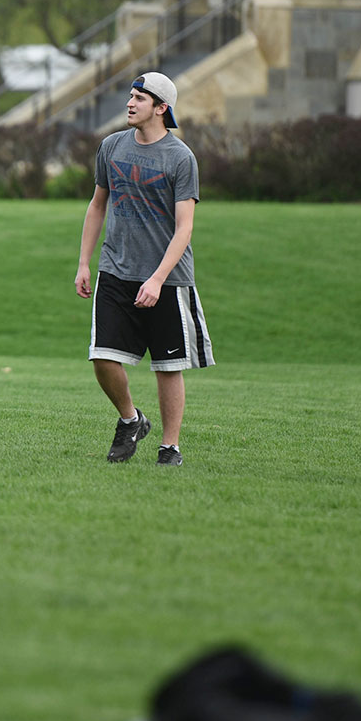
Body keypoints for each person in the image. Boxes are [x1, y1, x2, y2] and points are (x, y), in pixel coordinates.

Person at [75, 73, 213, 466]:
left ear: (161, 108)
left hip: (166, 278)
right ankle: (130, 419)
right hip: (115, 269)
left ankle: (170, 447)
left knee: (168, 366)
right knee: (102, 356)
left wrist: (157, 278)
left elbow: (184, 227)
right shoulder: (111, 147)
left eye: (140, 98)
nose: (130, 104)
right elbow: (97, 204)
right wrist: (85, 263)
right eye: (130, 96)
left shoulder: (180, 157)